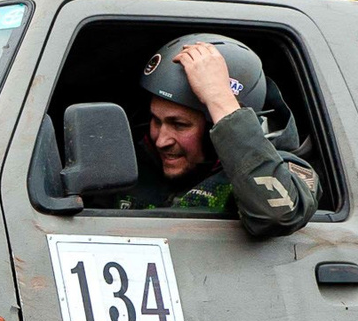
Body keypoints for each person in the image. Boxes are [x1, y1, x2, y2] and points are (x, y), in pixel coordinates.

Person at [105, 35, 319, 235]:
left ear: (215, 127)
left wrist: (218, 97)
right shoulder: (131, 166)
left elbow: (279, 215)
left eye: (179, 125)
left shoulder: (281, 171)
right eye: (156, 120)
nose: (161, 140)